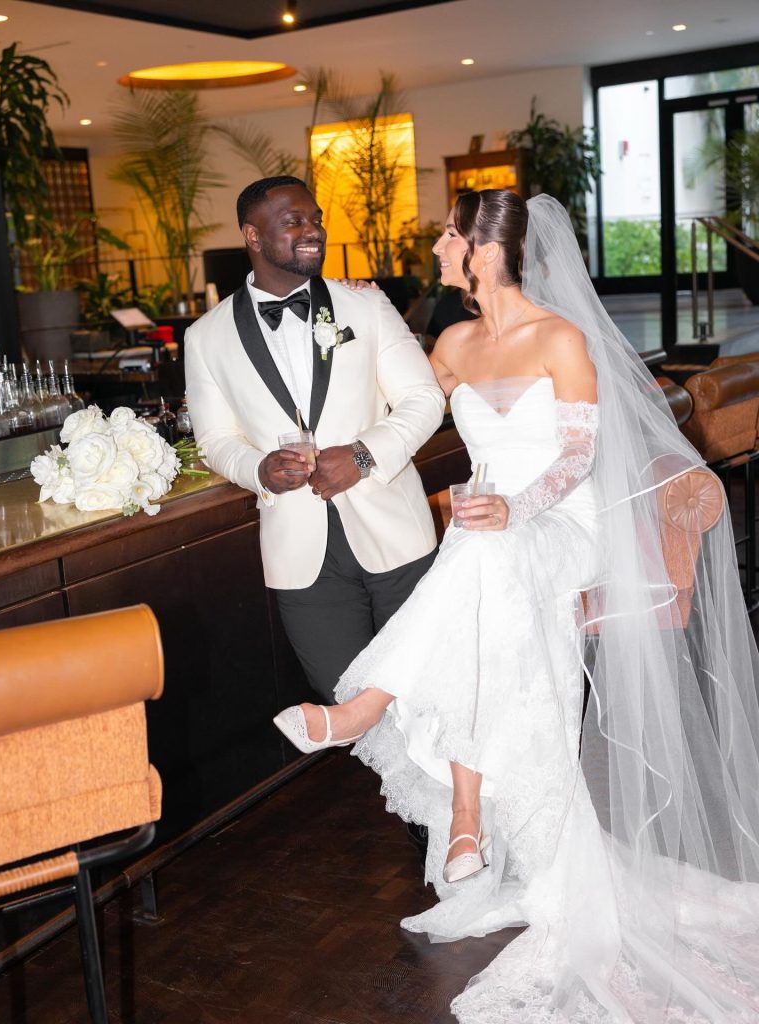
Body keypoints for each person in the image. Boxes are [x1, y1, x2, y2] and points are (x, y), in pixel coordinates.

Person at [274, 190, 759, 1022]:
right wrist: (351, 330)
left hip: (560, 523)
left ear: (482, 248)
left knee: (482, 546)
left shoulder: (561, 339)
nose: (434, 246)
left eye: (446, 235)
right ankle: (466, 815)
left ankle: (367, 710)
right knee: (479, 559)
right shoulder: (454, 341)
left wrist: (518, 507)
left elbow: (581, 454)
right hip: (489, 538)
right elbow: (401, 410)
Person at [185, 176, 445, 704]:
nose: (314, 231)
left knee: (430, 690)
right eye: (294, 222)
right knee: (346, 698)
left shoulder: (366, 306)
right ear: (252, 237)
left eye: (316, 219)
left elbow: (424, 398)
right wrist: (258, 469)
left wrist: (363, 455)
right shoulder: (205, 336)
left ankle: (451, 790)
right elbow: (214, 438)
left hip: (397, 535)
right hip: (300, 556)